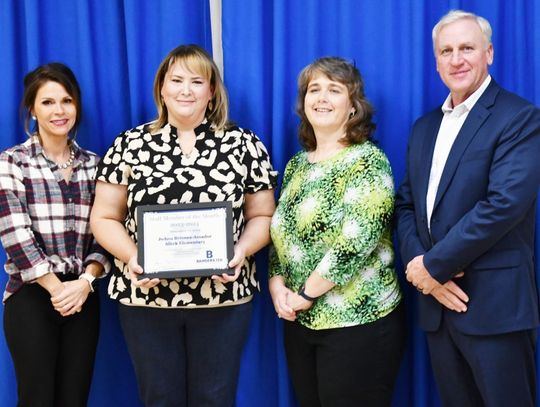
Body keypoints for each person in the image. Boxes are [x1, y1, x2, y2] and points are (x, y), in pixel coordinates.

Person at [90, 44, 277, 407]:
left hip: (222, 298)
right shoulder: (129, 144)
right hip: (145, 297)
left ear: (211, 92)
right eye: (176, 80)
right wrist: (133, 257)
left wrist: (239, 252)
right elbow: (103, 217)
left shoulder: (244, 144)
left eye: (197, 81)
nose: (185, 90)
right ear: (161, 87)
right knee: (159, 397)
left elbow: (263, 216)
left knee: (216, 397)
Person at [396, 10, 540, 407]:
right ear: (436, 60)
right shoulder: (424, 127)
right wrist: (421, 268)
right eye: (446, 50)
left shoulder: (520, 117)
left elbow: (503, 204)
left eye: (467, 48)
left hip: (495, 308)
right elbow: (407, 205)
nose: (456, 59)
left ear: (489, 53)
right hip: (437, 307)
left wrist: (433, 266)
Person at [269, 57, 405, 407]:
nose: (322, 98)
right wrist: (276, 284)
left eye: (334, 89)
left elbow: (357, 240)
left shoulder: (368, 161)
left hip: (358, 322)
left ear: (353, 106)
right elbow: (282, 234)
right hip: (299, 321)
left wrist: (306, 294)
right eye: (314, 89)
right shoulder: (298, 164)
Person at [0, 63, 110, 406]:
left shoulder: (95, 164)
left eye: (67, 100)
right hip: (32, 296)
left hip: (83, 294)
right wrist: (57, 289)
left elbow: (104, 233)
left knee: (74, 399)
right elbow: (15, 234)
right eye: (47, 102)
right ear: (32, 108)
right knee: (37, 398)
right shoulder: (12, 162)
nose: (59, 111)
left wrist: (85, 282)